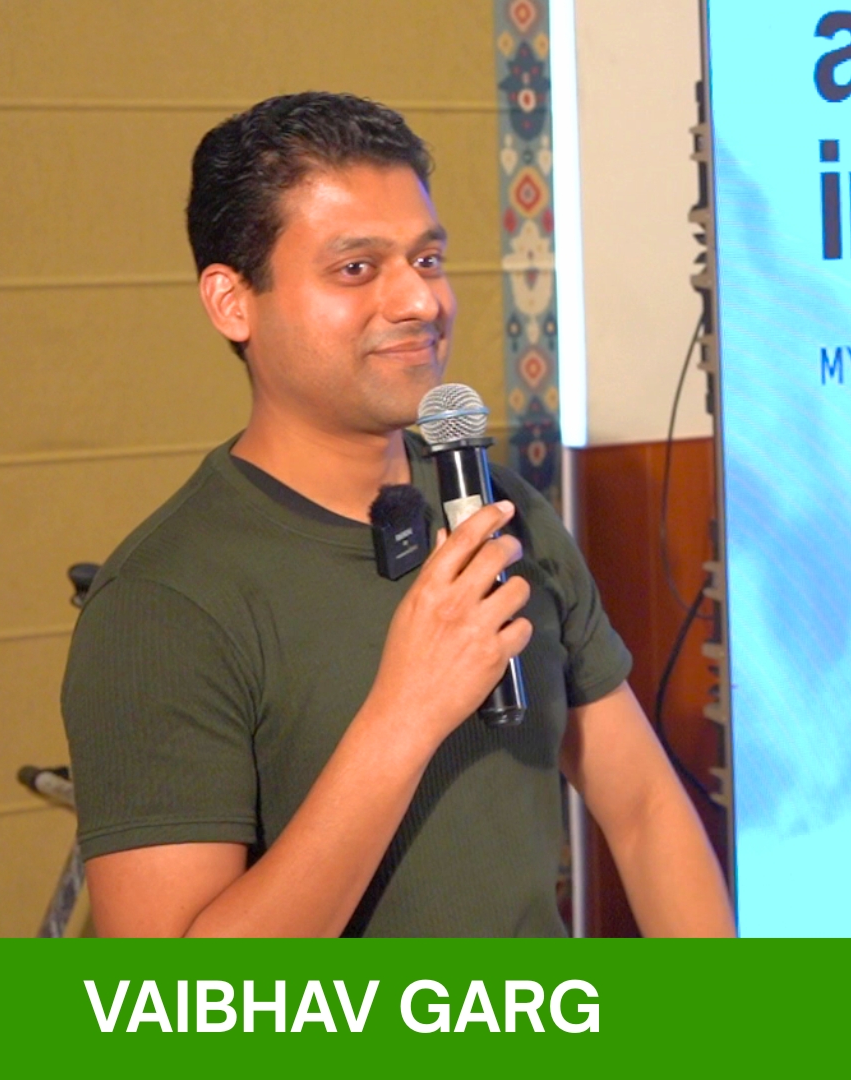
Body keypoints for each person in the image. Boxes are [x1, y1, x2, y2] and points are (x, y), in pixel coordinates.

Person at [62, 92, 735, 938]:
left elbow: (642, 810)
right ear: (233, 301)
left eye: (427, 259)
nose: (419, 301)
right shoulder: (164, 602)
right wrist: (405, 714)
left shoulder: (500, 514)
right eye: (357, 269)